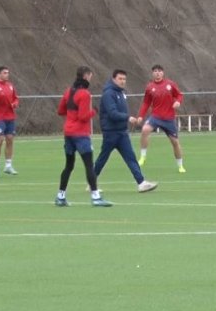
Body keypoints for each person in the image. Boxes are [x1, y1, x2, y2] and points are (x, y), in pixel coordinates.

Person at [55, 66, 112, 207]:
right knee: (89, 166)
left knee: (69, 166)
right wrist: (94, 111)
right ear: (86, 76)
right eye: (90, 76)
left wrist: (70, 120)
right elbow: (83, 116)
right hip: (80, 134)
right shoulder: (84, 94)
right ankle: (96, 197)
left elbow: (60, 110)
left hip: (68, 134)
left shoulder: (69, 91)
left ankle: (60, 196)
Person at [95, 69, 158, 193]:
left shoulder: (121, 93)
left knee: (130, 157)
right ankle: (92, 181)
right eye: (120, 79)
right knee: (103, 158)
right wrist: (128, 118)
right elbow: (112, 113)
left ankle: (141, 183)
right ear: (114, 79)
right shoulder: (109, 94)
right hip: (111, 132)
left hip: (122, 132)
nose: (123, 81)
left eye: (124, 79)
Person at [136, 64, 186, 173]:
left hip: (169, 119)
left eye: (159, 71)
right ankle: (143, 157)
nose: (157, 73)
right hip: (156, 117)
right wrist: (140, 116)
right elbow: (146, 103)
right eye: (155, 71)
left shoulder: (170, 84)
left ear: (163, 73)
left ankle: (180, 166)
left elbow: (179, 95)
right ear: (152, 73)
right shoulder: (150, 87)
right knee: (145, 130)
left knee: (175, 143)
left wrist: (178, 101)